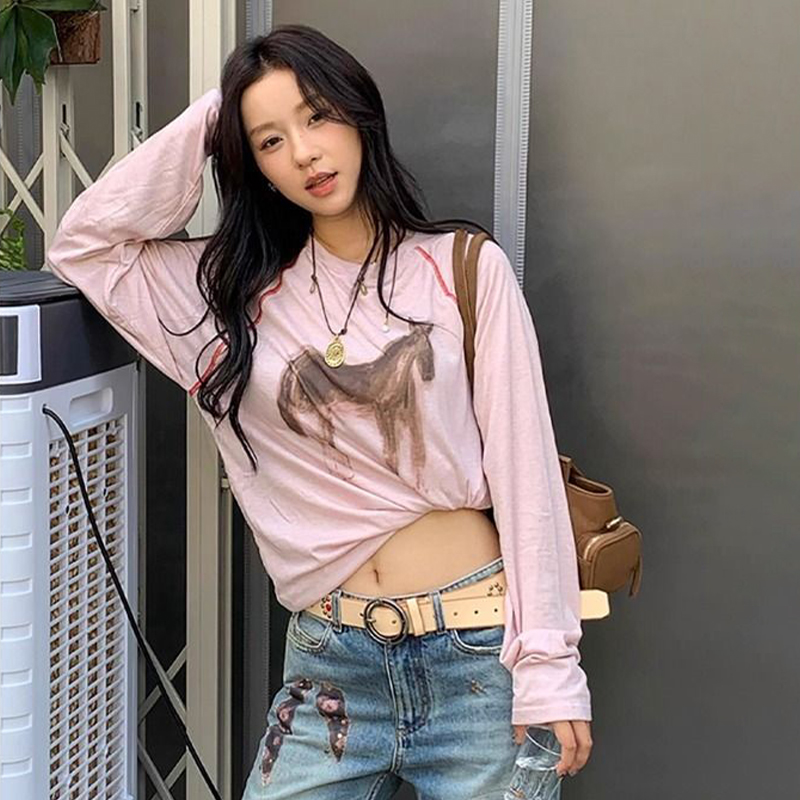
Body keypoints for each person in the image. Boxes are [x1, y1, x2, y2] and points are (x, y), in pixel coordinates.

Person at [46, 23, 592, 800]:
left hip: (477, 658)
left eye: (317, 115)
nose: (304, 153)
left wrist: (549, 665)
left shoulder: (462, 268)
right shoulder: (226, 297)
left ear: (358, 114)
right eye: (270, 141)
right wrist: (219, 110)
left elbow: (525, 472)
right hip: (331, 668)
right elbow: (86, 246)